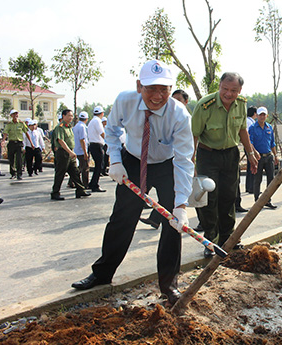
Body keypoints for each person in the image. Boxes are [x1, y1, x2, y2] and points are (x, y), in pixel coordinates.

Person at [71, 60, 194, 307]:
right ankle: (102, 273)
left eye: (164, 89)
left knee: (173, 224)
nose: (158, 96)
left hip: (166, 164)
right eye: (151, 89)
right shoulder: (125, 101)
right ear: (139, 86)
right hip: (133, 159)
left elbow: (183, 161)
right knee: (122, 219)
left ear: (171, 88)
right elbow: (113, 132)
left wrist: (181, 204)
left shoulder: (179, 114)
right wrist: (115, 161)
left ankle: (169, 286)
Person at [192, 72, 258, 258]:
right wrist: (191, 161)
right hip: (208, 155)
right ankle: (210, 242)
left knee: (229, 197)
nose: (228, 94)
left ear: (240, 91)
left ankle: (228, 239)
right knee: (209, 199)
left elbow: (243, 130)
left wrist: (250, 153)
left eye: (233, 90)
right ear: (219, 86)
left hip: (230, 154)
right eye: (225, 89)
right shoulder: (205, 106)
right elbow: (194, 135)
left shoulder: (241, 104)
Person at [139, 89, 191, 230]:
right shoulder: (153, 112)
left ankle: (157, 219)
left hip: (175, 162)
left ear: (186, 102)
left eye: (179, 100)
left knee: (173, 201)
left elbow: (185, 155)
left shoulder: (183, 117)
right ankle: (155, 219)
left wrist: (181, 206)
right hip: (145, 162)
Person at [50, 109, 91, 201]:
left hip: (70, 153)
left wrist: (72, 152)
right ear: (63, 116)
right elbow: (61, 141)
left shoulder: (69, 127)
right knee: (60, 173)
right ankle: (55, 192)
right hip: (63, 153)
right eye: (69, 115)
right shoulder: (60, 127)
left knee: (75, 172)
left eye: (72, 116)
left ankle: (80, 190)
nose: (71, 118)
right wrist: (70, 152)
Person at [249, 106, 279, 209]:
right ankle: (257, 201)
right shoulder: (252, 128)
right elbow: (250, 142)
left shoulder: (269, 127)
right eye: (260, 115)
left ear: (266, 116)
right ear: (256, 115)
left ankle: (267, 200)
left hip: (269, 156)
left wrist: (275, 155)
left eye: (264, 115)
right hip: (258, 157)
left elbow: (272, 143)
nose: (262, 117)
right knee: (258, 179)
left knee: (271, 179)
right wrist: (255, 152)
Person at [3, 110, 34, 180]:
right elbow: (5, 133)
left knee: (19, 159)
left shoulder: (21, 123)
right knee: (11, 159)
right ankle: (13, 173)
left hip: (19, 143)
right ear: (11, 116)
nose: (15, 116)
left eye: (16, 114)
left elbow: (26, 133)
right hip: (11, 143)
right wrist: (3, 141)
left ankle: (19, 174)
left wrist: (31, 143)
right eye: (14, 114)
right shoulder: (9, 124)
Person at [88, 106, 106, 193]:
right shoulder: (98, 121)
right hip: (97, 145)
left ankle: (92, 183)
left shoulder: (92, 121)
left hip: (92, 145)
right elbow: (102, 133)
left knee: (97, 166)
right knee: (99, 166)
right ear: (102, 113)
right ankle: (95, 185)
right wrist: (109, 141)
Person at [73, 111, 90, 189]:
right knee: (85, 168)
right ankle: (85, 184)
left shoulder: (76, 126)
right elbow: (82, 140)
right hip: (81, 150)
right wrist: (85, 152)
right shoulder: (82, 127)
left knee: (79, 167)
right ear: (86, 119)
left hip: (76, 150)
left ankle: (72, 182)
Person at [245, 106, 257, 194]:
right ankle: (251, 187)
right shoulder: (250, 123)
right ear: (254, 114)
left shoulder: (247, 121)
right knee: (252, 166)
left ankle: (249, 187)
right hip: (250, 147)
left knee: (250, 166)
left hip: (248, 146)